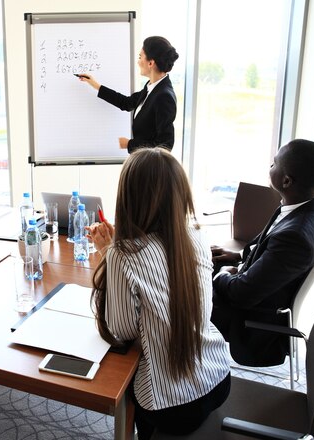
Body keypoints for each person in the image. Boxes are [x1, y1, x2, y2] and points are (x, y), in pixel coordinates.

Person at [88, 148, 230, 437]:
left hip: (170, 406)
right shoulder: (197, 238)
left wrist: (108, 256)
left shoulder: (123, 256)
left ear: (127, 198)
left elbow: (122, 330)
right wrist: (111, 252)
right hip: (218, 378)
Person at [211, 139, 314, 367]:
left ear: (287, 180)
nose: (270, 165)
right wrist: (239, 256)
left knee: (177, 294)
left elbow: (241, 295)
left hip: (251, 317)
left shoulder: (296, 237)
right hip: (263, 284)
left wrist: (222, 275)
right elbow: (274, 239)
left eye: (274, 163)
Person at [78, 36, 179, 152]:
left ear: (151, 63)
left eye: (140, 57)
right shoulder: (151, 87)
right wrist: (95, 85)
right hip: (142, 160)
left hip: (150, 166)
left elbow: (165, 145)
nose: (138, 61)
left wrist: (129, 144)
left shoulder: (164, 96)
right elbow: (126, 103)